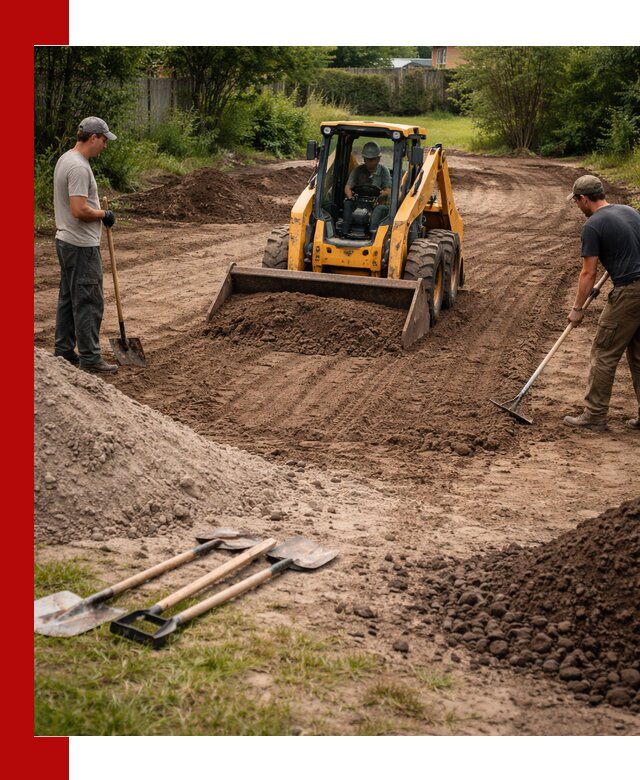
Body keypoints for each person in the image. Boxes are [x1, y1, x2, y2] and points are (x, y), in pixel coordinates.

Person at [563, 175, 640, 431]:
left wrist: (577, 309)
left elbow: (589, 273)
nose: (577, 205)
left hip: (629, 292)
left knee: (604, 352)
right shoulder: (629, 211)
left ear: (584, 199)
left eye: (576, 201)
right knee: (639, 356)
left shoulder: (593, 225)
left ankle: (595, 414)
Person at [53, 116, 119, 374]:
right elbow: (79, 209)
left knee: (69, 299)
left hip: (66, 241)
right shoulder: (79, 167)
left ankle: (63, 352)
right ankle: (90, 359)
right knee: (89, 300)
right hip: (80, 245)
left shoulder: (65, 159)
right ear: (93, 137)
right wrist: (105, 214)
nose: (105, 145)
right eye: (104, 140)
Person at [342, 141, 391, 237]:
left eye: (371, 160)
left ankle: (373, 235)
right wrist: (350, 197)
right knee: (347, 203)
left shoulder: (384, 171)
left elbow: (388, 190)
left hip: (377, 202)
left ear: (378, 159)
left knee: (379, 209)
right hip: (360, 201)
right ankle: (345, 232)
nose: (367, 162)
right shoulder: (358, 170)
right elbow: (348, 187)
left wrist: (383, 194)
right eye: (366, 159)